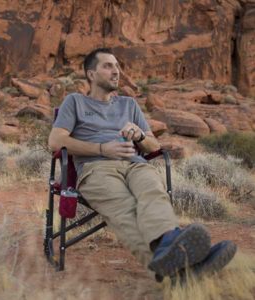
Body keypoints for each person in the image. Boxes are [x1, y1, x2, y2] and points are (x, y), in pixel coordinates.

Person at [48, 48, 236, 281]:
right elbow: (55, 142)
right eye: (108, 66)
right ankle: (181, 272)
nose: (116, 71)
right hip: (97, 169)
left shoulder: (128, 104)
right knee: (126, 210)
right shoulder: (74, 102)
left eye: (117, 66)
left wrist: (139, 136)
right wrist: (102, 148)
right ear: (91, 74)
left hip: (135, 164)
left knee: (153, 192)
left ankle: (169, 241)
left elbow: (152, 145)